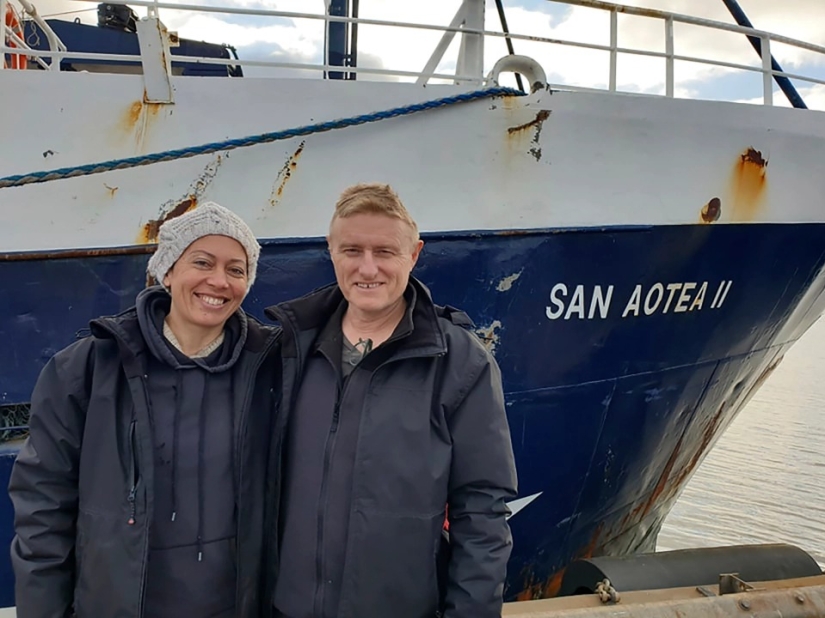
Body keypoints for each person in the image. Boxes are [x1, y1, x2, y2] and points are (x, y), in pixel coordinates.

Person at [9, 202, 280, 618]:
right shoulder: (86, 369)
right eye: (202, 262)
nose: (218, 281)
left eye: (236, 269)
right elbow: (44, 508)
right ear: (168, 271)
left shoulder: (271, 368)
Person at [265, 183, 518, 618]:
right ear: (330, 250)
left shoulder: (459, 363)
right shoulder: (289, 346)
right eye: (352, 250)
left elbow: (482, 510)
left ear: (414, 255)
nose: (368, 268)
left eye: (385, 252)